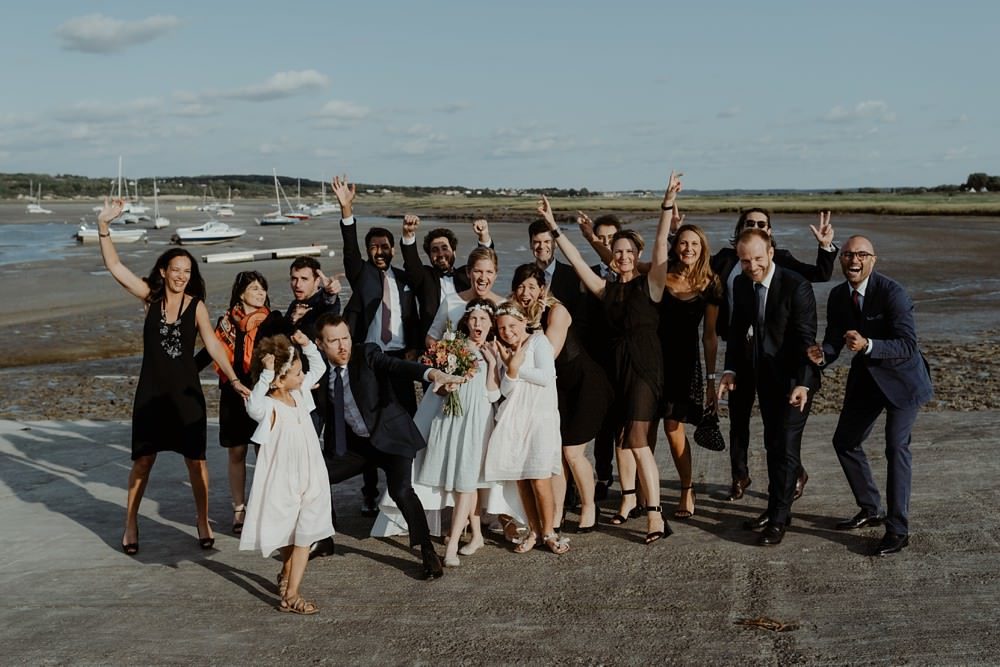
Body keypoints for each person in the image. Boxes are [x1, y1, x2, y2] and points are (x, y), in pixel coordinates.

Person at [95, 198, 249, 555]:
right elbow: (115, 265)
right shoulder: (149, 297)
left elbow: (212, 345)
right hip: (151, 394)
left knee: (196, 461)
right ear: (163, 271)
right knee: (143, 461)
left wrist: (235, 379)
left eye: (186, 271)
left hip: (186, 395)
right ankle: (131, 521)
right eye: (175, 269)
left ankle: (202, 518)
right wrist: (104, 226)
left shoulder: (195, 306)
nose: (181, 276)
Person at [539, 170, 682, 545]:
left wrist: (666, 204)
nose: (621, 257)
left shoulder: (650, 284)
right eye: (616, 252)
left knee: (637, 440)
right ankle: (638, 505)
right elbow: (577, 260)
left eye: (627, 252)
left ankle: (655, 517)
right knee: (627, 440)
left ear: (635, 257)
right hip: (615, 369)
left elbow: (661, 249)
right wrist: (555, 227)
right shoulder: (605, 289)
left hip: (645, 369)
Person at [312, 313, 466, 579]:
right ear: (319, 344)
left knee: (401, 491)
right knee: (315, 477)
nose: (342, 346)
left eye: (345, 338)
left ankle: (427, 551)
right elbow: (317, 414)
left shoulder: (367, 354)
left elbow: (396, 366)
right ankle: (325, 538)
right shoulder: (318, 372)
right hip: (358, 446)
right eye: (334, 341)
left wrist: (431, 374)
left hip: (391, 438)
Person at [807, 236, 933, 556]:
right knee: (845, 441)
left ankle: (898, 529)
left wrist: (869, 346)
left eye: (861, 254)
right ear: (841, 260)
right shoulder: (837, 295)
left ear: (873, 260)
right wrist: (823, 355)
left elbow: (907, 345)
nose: (853, 260)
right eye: (848, 254)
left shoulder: (894, 294)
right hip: (867, 379)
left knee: (895, 446)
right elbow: (835, 339)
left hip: (903, 381)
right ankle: (870, 508)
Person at [713, 209, 836, 502]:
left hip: (776, 359)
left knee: (778, 434)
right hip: (741, 353)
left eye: (762, 224)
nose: (751, 264)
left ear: (770, 236)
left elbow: (819, 275)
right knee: (738, 420)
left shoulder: (780, 262)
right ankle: (739, 476)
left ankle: (790, 480)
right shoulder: (726, 261)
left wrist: (825, 247)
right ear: (739, 231)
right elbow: (687, 263)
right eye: (750, 224)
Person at [717, 227, 820, 546]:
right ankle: (779, 506)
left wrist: (803, 383)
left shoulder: (796, 286)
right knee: (773, 444)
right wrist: (731, 368)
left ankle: (777, 520)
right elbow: (736, 332)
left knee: (785, 448)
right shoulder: (740, 283)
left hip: (795, 381)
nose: (753, 266)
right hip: (764, 377)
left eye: (758, 259)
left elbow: (806, 340)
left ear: (771, 252)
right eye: (745, 261)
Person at [511, 264, 611, 533]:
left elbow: (548, 355)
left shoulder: (557, 311)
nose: (525, 292)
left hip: (585, 385)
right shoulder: (519, 315)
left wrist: (529, 326)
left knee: (572, 452)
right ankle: (556, 514)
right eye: (520, 286)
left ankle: (589, 507)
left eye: (532, 286)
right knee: (555, 454)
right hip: (559, 391)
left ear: (543, 289)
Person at [241, 331, 334, 615]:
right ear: (280, 380)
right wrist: (267, 374)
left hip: (311, 474)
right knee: (288, 534)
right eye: (296, 373)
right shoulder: (269, 406)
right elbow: (254, 406)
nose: (303, 376)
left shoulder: (300, 394)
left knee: (306, 534)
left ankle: (291, 594)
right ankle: (286, 573)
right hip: (283, 479)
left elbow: (318, 368)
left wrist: (307, 346)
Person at [414, 298, 502, 567]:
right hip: (453, 418)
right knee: (466, 482)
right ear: (467, 322)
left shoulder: (494, 350)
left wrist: (490, 362)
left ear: (491, 325)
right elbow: (438, 388)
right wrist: (447, 386)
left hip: (478, 421)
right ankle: (476, 536)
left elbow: (493, 395)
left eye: (483, 320)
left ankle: (451, 546)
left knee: (465, 482)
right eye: (474, 319)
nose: (478, 324)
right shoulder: (454, 348)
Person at [195, 271, 284, 535]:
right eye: (255, 288)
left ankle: (265, 506)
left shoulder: (272, 320)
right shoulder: (225, 324)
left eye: (263, 288)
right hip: (233, 394)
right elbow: (209, 352)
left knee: (263, 451)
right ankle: (239, 508)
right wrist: (184, 373)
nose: (261, 293)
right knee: (236, 452)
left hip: (263, 394)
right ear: (241, 293)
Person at [483, 301, 566, 554]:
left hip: (540, 418)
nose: (508, 332)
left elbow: (546, 376)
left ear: (522, 323)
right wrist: (508, 368)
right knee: (522, 479)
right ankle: (533, 530)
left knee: (540, 478)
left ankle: (550, 531)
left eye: (511, 326)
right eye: (501, 328)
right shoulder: (502, 351)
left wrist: (518, 366)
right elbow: (505, 392)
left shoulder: (539, 342)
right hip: (514, 419)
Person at [658, 224, 723, 519]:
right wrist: (594, 240)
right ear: (675, 246)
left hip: (684, 364)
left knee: (673, 426)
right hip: (653, 359)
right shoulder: (660, 274)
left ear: (702, 248)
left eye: (694, 244)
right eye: (683, 243)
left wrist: (711, 380)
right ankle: (641, 492)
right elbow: (622, 262)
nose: (688, 249)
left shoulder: (711, 283)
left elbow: (709, 336)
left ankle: (687, 487)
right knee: (641, 426)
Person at [576, 215, 623, 499]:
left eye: (610, 239)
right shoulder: (588, 273)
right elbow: (582, 319)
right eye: (600, 238)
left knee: (628, 424)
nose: (605, 243)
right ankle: (603, 476)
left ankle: (634, 483)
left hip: (628, 359)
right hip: (597, 358)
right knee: (602, 422)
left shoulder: (632, 274)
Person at [399, 214, 494, 343]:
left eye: (445, 248)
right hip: (433, 345)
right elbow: (412, 263)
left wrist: (483, 236)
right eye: (435, 250)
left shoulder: (466, 275)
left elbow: (482, 262)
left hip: (471, 342)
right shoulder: (424, 277)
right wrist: (408, 234)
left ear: (454, 251)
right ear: (429, 256)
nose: (440, 254)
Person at [527, 218, 583, 317]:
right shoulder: (524, 275)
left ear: (556, 243)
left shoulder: (572, 275)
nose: (542, 246)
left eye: (547, 241)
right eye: (537, 242)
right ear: (530, 244)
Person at [284, 256, 342, 341]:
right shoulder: (295, 303)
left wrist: (330, 293)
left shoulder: (321, 301)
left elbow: (329, 304)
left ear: (317, 281)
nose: (297, 285)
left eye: (304, 279)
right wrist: (293, 320)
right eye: (294, 279)